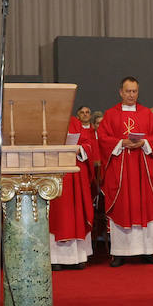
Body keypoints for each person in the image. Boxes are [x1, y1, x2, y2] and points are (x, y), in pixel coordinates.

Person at [98, 77, 153, 265]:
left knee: (145, 207)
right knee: (122, 207)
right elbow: (102, 138)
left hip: (143, 171)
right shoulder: (110, 115)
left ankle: (148, 251)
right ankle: (119, 252)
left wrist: (145, 143)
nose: (131, 95)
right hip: (121, 171)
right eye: (128, 91)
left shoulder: (147, 114)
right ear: (120, 92)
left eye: (134, 91)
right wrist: (121, 142)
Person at [49, 113, 98, 268]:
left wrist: (79, 149)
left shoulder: (75, 122)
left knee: (75, 212)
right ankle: (55, 259)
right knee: (56, 216)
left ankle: (78, 256)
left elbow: (87, 144)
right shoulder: (46, 122)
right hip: (53, 173)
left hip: (74, 174)